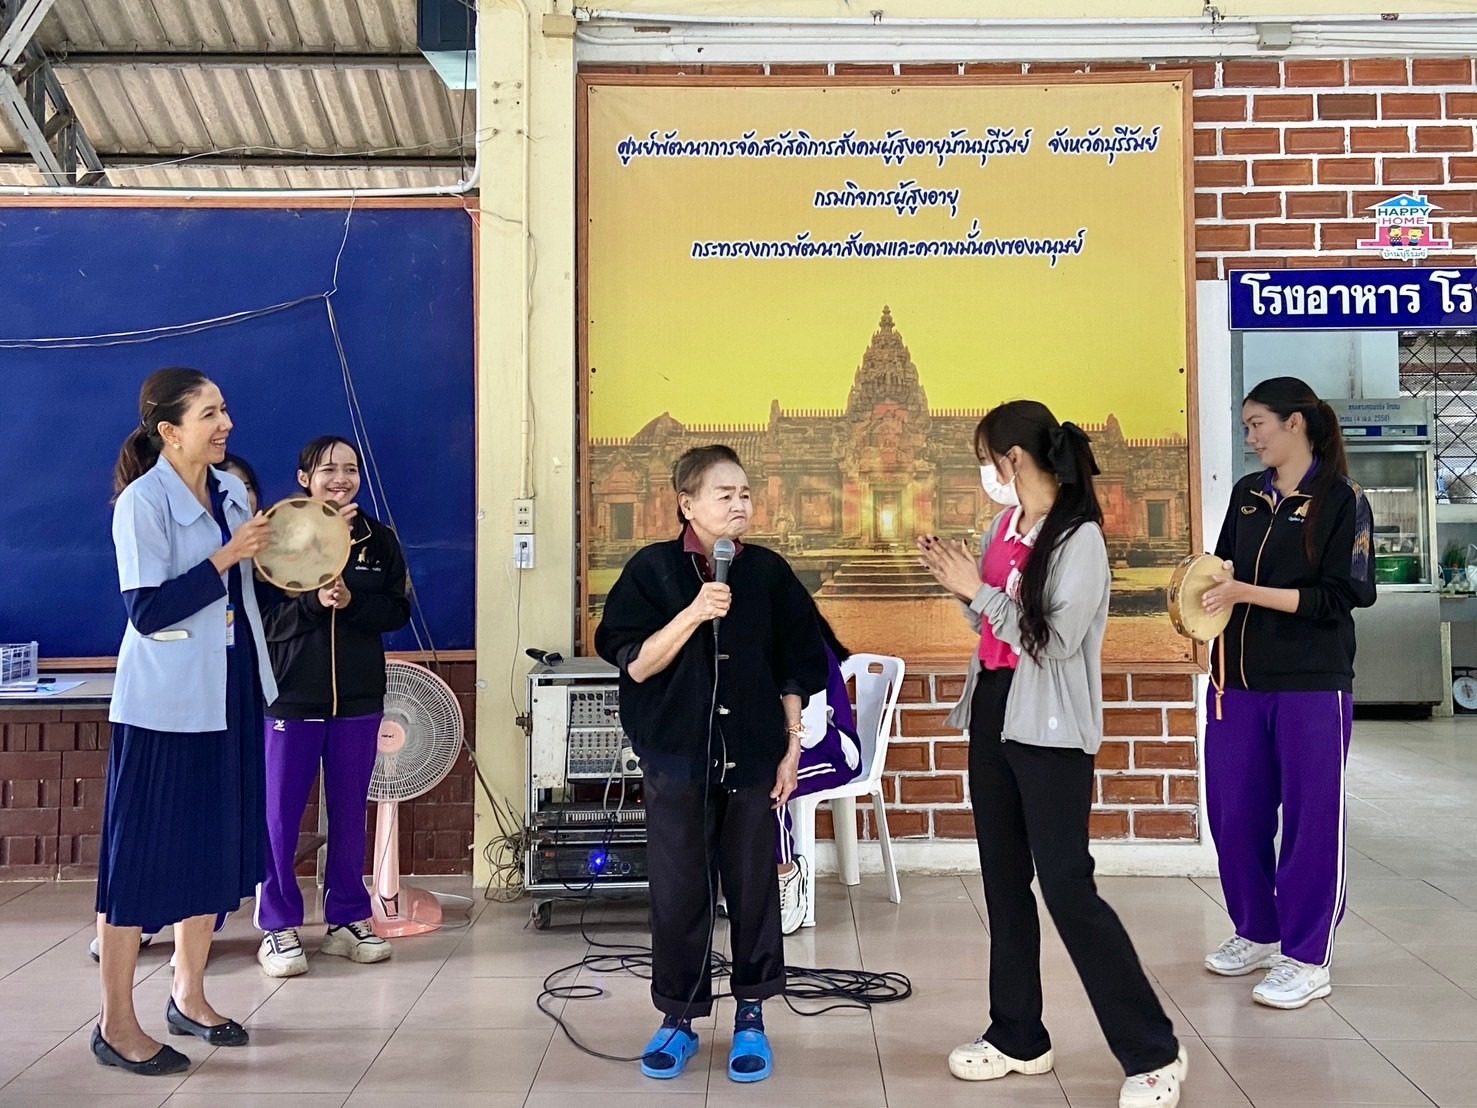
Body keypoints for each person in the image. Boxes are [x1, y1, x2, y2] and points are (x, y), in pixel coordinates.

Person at [917, 400, 1187, 1108]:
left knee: (1067, 887)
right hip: (993, 711)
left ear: (1012, 459)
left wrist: (976, 590)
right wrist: (962, 586)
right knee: (1003, 882)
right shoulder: (1000, 528)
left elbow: (1056, 641)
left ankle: (1153, 1052)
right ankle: (1017, 1035)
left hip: (1051, 727)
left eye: (986, 460)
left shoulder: (1078, 539)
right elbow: (991, 624)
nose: (984, 474)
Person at [595, 445, 828, 1085]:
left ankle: (751, 1014)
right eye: (724, 494)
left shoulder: (769, 573)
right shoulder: (651, 571)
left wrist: (792, 746)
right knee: (679, 891)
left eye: (745, 493)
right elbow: (637, 663)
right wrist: (695, 611)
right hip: (677, 755)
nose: (739, 504)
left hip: (753, 754)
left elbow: (795, 667)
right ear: (687, 504)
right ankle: (679, 1017)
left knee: (753, 888)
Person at [96, 367, 277, 1075]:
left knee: (212, 850)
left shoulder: (229, 489)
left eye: (225, 408)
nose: (225, 423)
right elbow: (147, 610)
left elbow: (249, 590)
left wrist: (310, 555)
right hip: (164, 707)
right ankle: (115, 1024)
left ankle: (189, 994)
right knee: (139, 861)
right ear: (169, 430)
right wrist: (227, 556)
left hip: (228, 694)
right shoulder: (141, 504)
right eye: (209, 413)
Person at [1199, 377, 1376, 1009]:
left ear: (1294, 423)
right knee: (1234, 812)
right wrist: (1203, 603)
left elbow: (1344, 595)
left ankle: (1306, 956)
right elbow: (1221, 570)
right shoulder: (1247, 495)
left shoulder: (1343, 500)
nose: (1250, 438)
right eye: (1246, 426)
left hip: (1311, 685)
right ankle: (1256, 930)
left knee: (1310, 819)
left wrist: (1246, 593)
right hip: (1237, 683)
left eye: (1258, 425)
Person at [255, 436, 410, 977]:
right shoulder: (274, 537)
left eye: (350, 469)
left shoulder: (378, 539)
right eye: (327, 469)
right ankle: (277, 925)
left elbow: (398, 610)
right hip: (292, 697)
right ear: (305, 479)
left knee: (349, 814)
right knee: (280, 816)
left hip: (359, 700)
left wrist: (353, 602)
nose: (340, 478)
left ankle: (346, 919)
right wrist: (314, 605)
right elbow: (264, 622)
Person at [775, 607, 862, 934]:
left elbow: (811, 732)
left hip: (834, 751)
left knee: (769, 787)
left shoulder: (806, 649)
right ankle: (752, 882)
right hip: (796, 746)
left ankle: (786, 874)